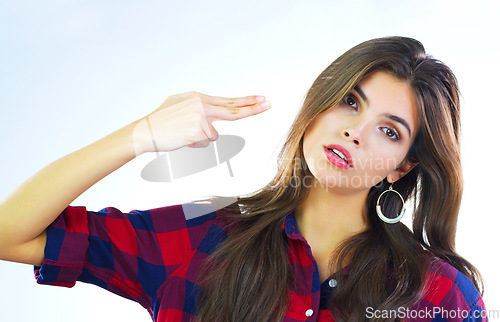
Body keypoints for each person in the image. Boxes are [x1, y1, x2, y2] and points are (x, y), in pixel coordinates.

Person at [0, 36, 487, 321]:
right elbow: (11, 233)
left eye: (387, 130)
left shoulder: (439, 298)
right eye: (350, 101)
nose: (355, 132)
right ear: (320, 102)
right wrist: (141, 135)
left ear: (403, 166)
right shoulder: (203, 239)